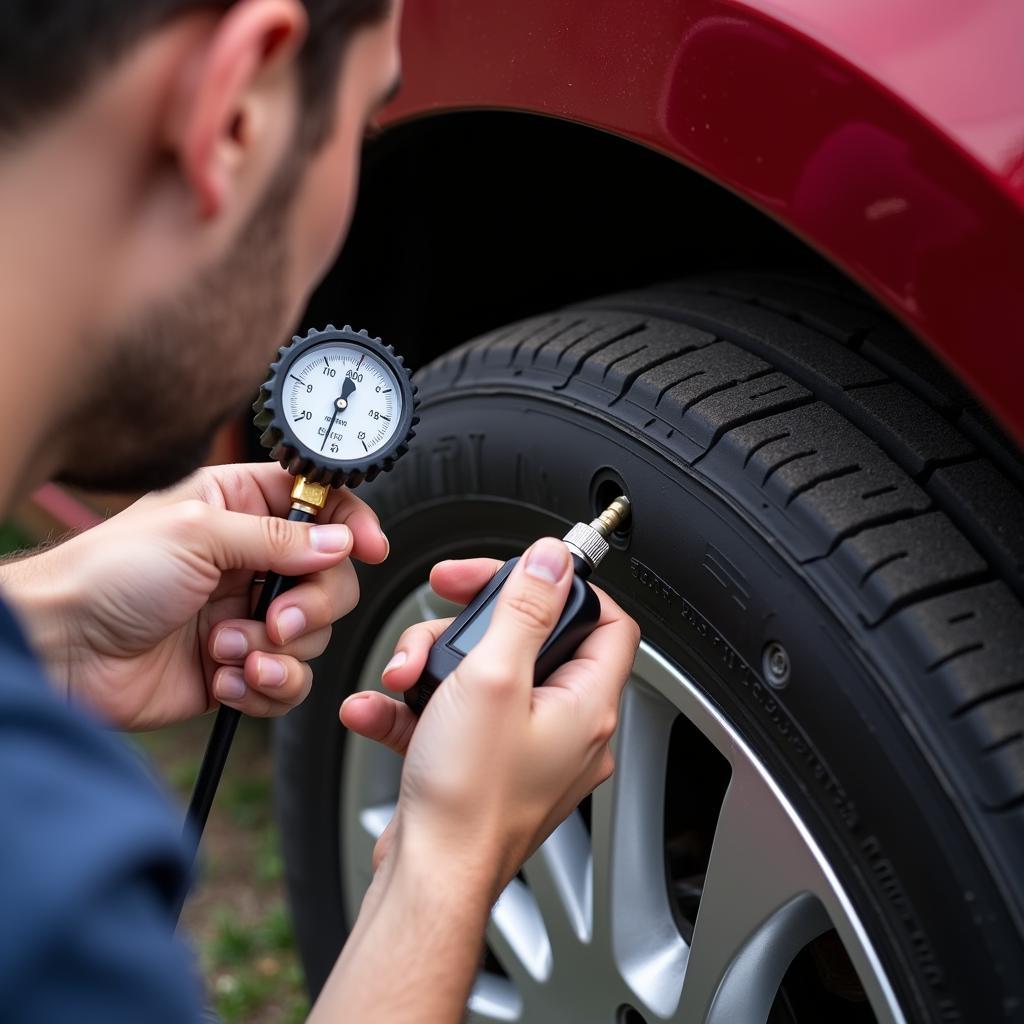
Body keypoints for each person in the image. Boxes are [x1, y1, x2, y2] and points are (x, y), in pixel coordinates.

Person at [0, 1, 640, 1021]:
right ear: (238, 113)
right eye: (366, 124)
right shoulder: (51, 908)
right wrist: (444, 861)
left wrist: (38, 629)